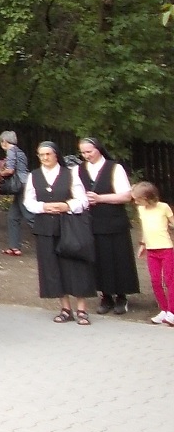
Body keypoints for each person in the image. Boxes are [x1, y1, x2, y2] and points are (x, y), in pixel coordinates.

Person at [23, 141, 96, 325]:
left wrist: (66, 206)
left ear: (56, 155)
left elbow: (82, 200)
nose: (45, 158)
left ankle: (82, 309)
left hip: (68, 226)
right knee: (52, 267)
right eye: (41, 155)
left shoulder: (70, 173)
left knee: (74, 265)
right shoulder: (34, 176)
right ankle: (65, 308)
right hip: (45, 227)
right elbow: (28, 201)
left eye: (48, 154)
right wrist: (43, 207)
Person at [77, 137, 139, 315]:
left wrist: (100, 198)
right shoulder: (79, 170)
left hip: (114, 221)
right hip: (92, 222)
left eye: (89, 151)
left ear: (98, 149)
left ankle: (121, 296)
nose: (86, 155)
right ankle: (106, 296)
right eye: (83, 152)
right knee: (100, 260)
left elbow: (126, 196)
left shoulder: (114, 168)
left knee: (119, 258)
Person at [131, 181, 174, 325]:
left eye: (138, 199)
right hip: (151, 250)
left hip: (166, 248)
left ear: (148, 197)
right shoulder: (141, 210)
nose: (136, 202)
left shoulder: (163, 207)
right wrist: (142, 244)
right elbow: (145, 228)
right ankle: (163, 309)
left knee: (169, 280)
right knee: (155, 281)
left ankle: (172, 312)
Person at [0, 130, 33, 255]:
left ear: (4, 141)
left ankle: (48, 238)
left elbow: (10, 170)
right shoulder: (19, 151)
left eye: (1, 142)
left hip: (21, 186)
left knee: (30, 216)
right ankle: (14, 247)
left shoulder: (11, 151)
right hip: (24, 184)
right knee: (13, 217)